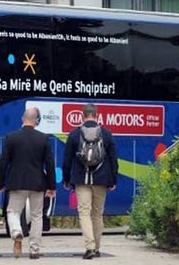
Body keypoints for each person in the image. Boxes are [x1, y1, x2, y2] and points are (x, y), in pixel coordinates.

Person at [0, 108, 56, 259]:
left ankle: (16, 231)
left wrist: (0, 183)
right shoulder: (43, 138)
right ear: (36, 120)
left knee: (12, 211)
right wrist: (51, 187)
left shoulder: (12, 137)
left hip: (16, 183)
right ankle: (34, 250)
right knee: (37, 216)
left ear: (23, 118)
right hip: (38, 183)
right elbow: (49, 164)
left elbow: (3, 162)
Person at [62, 103, 118, 260]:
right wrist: (113, 179)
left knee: (84, 212)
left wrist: (67, 179)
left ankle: (89, 247)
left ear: (82, 115)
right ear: (97, 115)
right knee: (97, 214)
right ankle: (97, 247)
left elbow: (67, 160)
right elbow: (113, 158)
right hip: (101, 180)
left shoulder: (74, 134)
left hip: (81, 180)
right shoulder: (106, 134)